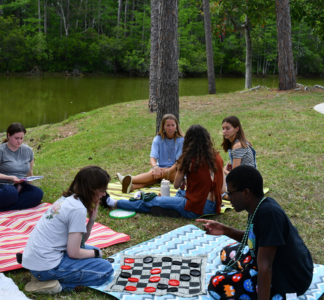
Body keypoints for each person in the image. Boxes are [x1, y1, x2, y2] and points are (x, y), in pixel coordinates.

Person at [197, 166, 313, 300]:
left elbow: (265, 265)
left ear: (246, 193)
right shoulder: (257, 206)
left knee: (216, 283)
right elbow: (254, 239)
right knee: (226, 253)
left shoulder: (269, 215)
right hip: (272, 261)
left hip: (289, 280)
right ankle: (249, 271)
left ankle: (271, 292)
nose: (228, 198)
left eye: (230, 193)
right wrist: (225, 230)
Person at [21, 166, 114, 294]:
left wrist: (91, 219)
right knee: (106, 269)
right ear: (91, 190)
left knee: (95, 251)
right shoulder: (77, 209)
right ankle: (55, 286)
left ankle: (41, 277)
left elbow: (80, 242)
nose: (103, 194)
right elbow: (74, 252)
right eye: (102, 190)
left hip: (37, 261)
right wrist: (97, 255)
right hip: (47, 266)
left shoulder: (68, 200)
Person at [104, 125, 225, 219]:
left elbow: (176, 185)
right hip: (214, 208)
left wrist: (182, 171)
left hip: (195, 209)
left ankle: (113, 202)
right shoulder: (218, 158)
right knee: (180, 194)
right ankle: (170, 209)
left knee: (152, 200)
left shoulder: (188, 159)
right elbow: (223, 189)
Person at [0, 123, 43, 213]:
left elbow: (29, 173)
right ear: (8, 135)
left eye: (21, 138)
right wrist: (9, 178)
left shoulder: (28, 151)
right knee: (10, 192)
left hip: (17, 184)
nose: (19, 141)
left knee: (37, 193)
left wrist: (25, 187)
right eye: (16, 138)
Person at [117, 114, 184, 193]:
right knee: (156, 176)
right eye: (168, 125)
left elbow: (178, 163)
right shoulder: (158, 139)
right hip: (159, 169)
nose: (170, 128)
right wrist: (155, 167)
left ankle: (130, 179)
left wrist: (167, 171)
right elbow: (152, 157)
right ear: (163, 127)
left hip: (175, 171)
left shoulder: (181, 140)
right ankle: (132, 187)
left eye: (173, 125)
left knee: (154, 175)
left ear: (176, 126)